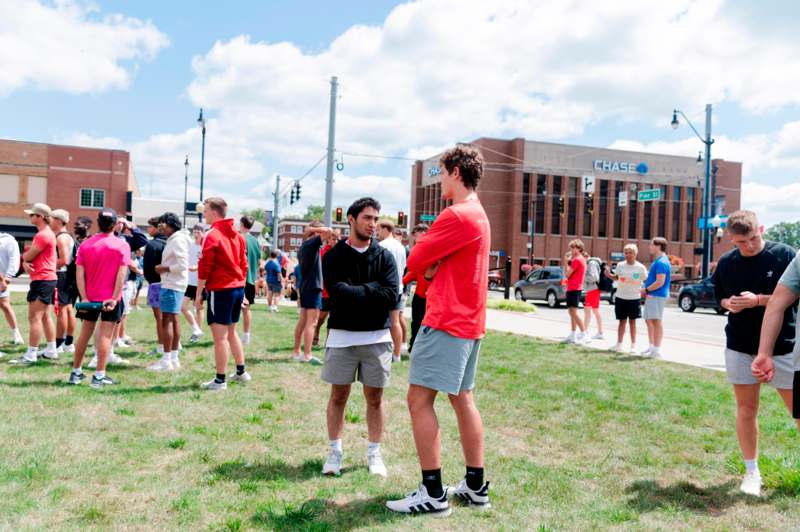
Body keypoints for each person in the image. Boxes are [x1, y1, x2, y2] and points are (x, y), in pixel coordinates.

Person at [387, 145, 491, 516]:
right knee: (462, 399)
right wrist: (433, 265)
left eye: (443, 172)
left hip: (446, 320)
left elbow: (415, 258)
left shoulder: (457, 215)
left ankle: (432, 492)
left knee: (418, 400)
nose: (440, 178)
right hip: (469, 322)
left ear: (457, 172)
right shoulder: (478, 214)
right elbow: (427, 262)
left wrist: (430, 265)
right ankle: (475, 486)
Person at [708, 210, 798, 496]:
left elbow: (787, 299)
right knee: (746, 409)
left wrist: (757, 300)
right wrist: (729, 303)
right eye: (740, 243)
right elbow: (718, 297)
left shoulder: (785, 255)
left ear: (761, 229)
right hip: (740, 346)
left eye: (753, 239)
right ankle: (751, 472)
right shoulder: (726, 262)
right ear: (731, 241)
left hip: (785, 347)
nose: (748, 246)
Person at [320, 197, 398, 478]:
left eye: (376, 219)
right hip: (342, 336)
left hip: (377, 337)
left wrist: (358, 291)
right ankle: (334, 452)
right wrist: (373, 289)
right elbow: (337, 292)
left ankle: (374, 454)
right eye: (367, 218)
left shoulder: (385, 256)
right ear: (351, 219)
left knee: (375, 398)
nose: (373, 224)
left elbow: (391, 295)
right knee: (338, 395)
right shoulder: (333, 256)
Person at [67, 208, 130, 388]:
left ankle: (75, 373)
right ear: (115, 224)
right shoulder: (121, 245)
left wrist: (84, 297)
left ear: (98, 222)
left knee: (84, 335)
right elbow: (121, 274)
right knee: (105, 336)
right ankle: (99, 377)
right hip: (109, 299)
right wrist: (115, 297)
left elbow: (79, 274)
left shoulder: (86, 245)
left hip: (90, 298)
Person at [195, 197, 250, 390]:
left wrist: (198, 293)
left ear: (215, 212)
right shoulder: (237, 235)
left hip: (221, 290)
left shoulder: (212, 235)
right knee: (231, 332)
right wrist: (242, 289)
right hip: (236, 289)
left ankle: (220, 380)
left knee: (220, 338)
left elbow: (205, 266)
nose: (204, 213)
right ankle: (241, 372)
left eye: (206, 210)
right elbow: (244, 266)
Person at [12, 203, 58, 364]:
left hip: (43, 279)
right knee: (45, 316)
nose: (29, 217)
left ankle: (31, 354)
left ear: (39, 217)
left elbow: (29, 255)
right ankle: (51, 350)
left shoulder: (43, 235)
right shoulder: (46, 233)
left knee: (34, 317)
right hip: (47, 279)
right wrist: (26, 261)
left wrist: (25, 260)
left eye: (32, 215)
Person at [148, 213, 190, 372]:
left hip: (172, 284)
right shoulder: (177, 239)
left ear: (169, 225)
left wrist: (164, 268)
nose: (160, 229)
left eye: (162, 225)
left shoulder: (177, 240)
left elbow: (183, 264)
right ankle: (173, 358)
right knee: (173, 319)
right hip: (174, 283)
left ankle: (167, 360)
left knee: (167, 320)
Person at [291, 221, 329, 364]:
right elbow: (328, 231)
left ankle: (296, 351)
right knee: (312, 323)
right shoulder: (312, 243)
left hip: (306, 286)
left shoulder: (304, 246)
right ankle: (307, 355)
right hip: (313, 286)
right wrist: (313, 229)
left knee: (303, 321)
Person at [604, 244, 647, 352]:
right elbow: (616, 277)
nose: (627, 255)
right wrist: (608, 274)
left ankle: (633, 346)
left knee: (632, 322)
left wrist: (645, 291)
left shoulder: (640, 267)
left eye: (630, 253)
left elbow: (645, 280)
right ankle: (619, 345)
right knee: (621, 322)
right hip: (620, 297)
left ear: (635, 254)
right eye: (626, 253)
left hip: (634, 298)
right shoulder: (620, 265)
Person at [377, 219, 407, 363]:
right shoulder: (401, 247)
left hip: (384, 289)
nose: (377, 234)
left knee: (382, 321)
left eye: (378, 230)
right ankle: (397, 354)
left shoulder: (382, 245)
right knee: (395, 322)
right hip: (399, 288)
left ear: (384, 229)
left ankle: (383, 351)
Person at [50, 209, 77, 355]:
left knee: (62, 310)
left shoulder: (61, 237)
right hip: (67, 276)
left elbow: (64, 259)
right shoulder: (68, 236)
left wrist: (48, 266)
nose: (50, 221)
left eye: (52, 219)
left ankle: (59, 344)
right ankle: (68, 343)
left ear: (59, 221)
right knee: (67, 309)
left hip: (62, 276)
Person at [641, 237, 671, 358]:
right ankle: (652, 346)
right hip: (652, 295)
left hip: (657, 295)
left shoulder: (661, 262)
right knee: (649, 320)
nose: (649, 247)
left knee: (656, 321)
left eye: (651, 245)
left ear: (658, 246)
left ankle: (656, 350)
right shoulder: (658, 261)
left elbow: (660, 282)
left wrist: (646, 289)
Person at [402, 224, 430, 353]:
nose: (414, 237)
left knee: (427, 325)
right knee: (416, 322)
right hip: (419, 296)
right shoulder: (417, 249)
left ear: (424, 233)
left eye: (415, 233)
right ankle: (414, 346)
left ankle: (422, 348)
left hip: (430, 297)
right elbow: (413, 272)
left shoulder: (430, 249)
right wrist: (401, 282)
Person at [143, 217, 167, 357]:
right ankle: (174, 345)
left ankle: (161, 346)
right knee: (170, 317)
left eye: (150, 227)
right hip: (171, 283)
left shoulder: (152, 245)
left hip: (156, 284)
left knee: (160, 318)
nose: (148, 229)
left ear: (158, 228)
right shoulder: (170, 242)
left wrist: (150, 279)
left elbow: (148, 268)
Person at [313, 230, 340, 346]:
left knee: (333, 319)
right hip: (325, 291)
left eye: (337, 239)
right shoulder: (323, 253)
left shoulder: (341, 253)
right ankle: (316, 333)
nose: (335, 241)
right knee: (321, 318)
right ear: (328, 240)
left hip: (336, 291)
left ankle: (329, 342)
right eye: (333, 239)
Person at [239, 216, 261, 346]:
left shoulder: (239, 238)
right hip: (251, 279)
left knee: (234, 308)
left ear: (241, 224)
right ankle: (246, 335)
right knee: (247, 308)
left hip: (240, 278)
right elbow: (258, 261)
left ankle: (231, 336)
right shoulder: (255, 241)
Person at [0, 231, 24, 347]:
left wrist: (7, 278)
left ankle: (16, 334)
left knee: (5, 305)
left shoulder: (8, 241)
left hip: (2, 279)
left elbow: (14, 260)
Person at [562, 240, 588, 345]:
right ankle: (573, 335)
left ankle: (583, 333)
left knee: (573, 312)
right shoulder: (579, 259)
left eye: (574, 248)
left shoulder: (577, 260)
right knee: (572, 312)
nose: (572, 250)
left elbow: (567, 274)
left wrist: (565, 262)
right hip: (573, 287)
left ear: (580, 248)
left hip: (574, 288)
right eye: (571, 248)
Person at [183, 224, 205, 342]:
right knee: (183, 307)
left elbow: (205, 263)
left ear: (203, 233)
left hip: (200, 282)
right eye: (194, 232)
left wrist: (196, 268)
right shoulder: (190, 245)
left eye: (198, 232)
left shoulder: (205, 246)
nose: (196, 235)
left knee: (198, 308)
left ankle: (197, 333)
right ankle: (196, 329)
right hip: (189, 282)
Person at [582, 253, 604, 341]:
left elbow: (594, 277)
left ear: (585, 257)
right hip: (593, 289)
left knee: (589, 310)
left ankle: (585, 332)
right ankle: (599, 332)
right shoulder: (592, 263)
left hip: (593, 289)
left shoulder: (591, 263)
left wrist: (583, 276)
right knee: (594, 311)